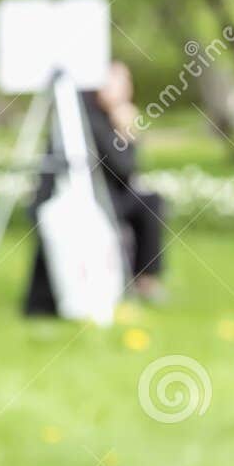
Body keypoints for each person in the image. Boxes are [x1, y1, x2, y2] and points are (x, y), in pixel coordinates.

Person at [23, 60, 167, 316]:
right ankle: (140, 280)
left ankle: (144, 277)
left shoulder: (97, 113)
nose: (122, 90)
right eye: (115, 83)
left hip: (105, 195)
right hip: (85, 200)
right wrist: (126, 130)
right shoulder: (88, 118)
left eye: (125, 83)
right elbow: (124, 166)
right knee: (148, 204)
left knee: (151, 202)